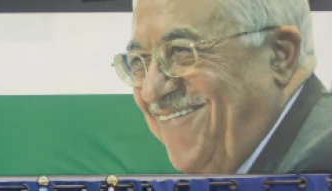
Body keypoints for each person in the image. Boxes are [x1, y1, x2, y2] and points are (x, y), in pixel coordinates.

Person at [114, 0, 331, 175]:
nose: (150, 91)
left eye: (180, 52)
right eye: (138, 60)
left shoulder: (317, 178)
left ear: (280, 56)